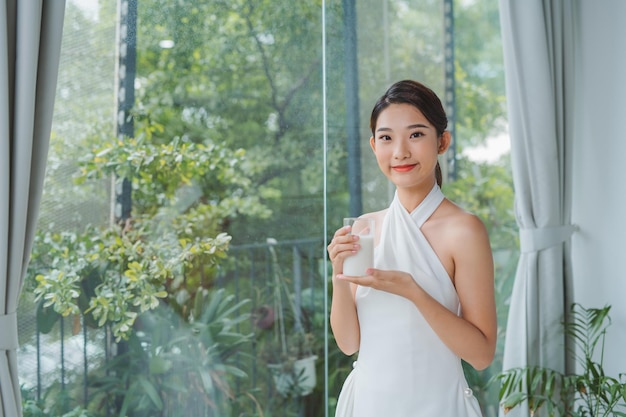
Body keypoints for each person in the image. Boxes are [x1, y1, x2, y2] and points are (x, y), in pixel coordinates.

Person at [327, 80, 497, 416]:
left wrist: (414, 293)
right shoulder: (364, 228)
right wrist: (338, 272)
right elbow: (349, 344)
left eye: (416, 134)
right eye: (387, 138)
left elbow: (481, 355)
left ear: (442, 142)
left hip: (438, 406)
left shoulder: (464, 231)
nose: (400, 152)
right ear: (374, 146)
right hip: (368, 404)